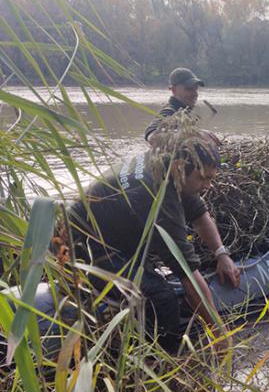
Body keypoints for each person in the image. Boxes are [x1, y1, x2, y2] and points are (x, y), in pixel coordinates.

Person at [68, 138, 239, 352]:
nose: (208, 185)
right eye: (203, 178)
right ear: (179, 167)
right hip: (86, 251)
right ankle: (164, 359)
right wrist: (218, 331)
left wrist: (222, 254)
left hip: (111, 236)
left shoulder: (168, 166)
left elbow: (199, 215)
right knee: (161, 298)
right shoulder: (155, 195)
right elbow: (185, 269)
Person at [145, 67, 219, 146]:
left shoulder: (183, 111)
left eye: (196, 89)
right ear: (174, 90)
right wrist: (196, 134)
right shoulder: (170, 111)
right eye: (189, 89)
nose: (195, 94)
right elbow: (152, 136)